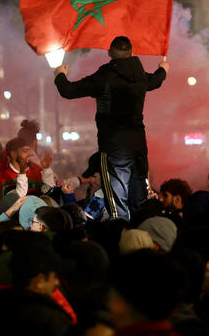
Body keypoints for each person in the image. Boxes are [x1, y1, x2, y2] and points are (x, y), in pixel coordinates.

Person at [54, 35, 168, 220]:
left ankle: (119, 235)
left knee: (116, 201)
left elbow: (68, 90)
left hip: (113, 146)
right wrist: (163, 69)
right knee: (139, 196)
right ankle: (143, 232)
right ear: (132, 52)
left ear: (109, 53)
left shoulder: (104, 77)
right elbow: (155, 81)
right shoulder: (140, 76)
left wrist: (59, 73)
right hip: (138, 145)